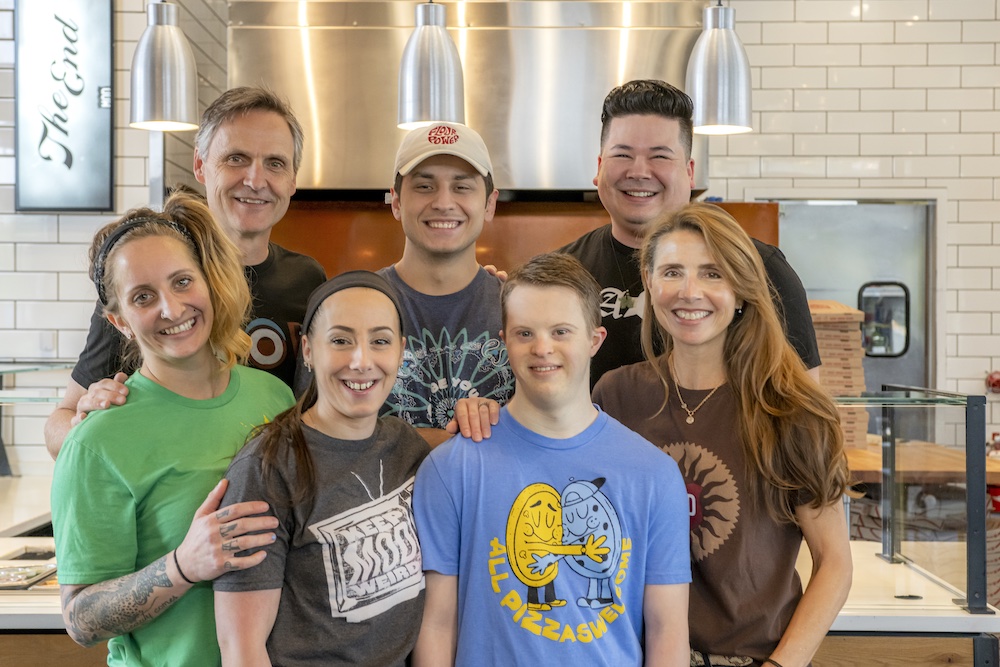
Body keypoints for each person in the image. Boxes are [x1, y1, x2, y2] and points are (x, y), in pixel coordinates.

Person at [592, 203, 852, 667]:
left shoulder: (792, 410)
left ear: (741, 291)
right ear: (649, 284)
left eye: (713, 274)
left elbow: (834, 562)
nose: (690, 292)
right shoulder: (616, 396)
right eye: (672, 271)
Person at [51, 192, 296, 666]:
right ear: (119, 321)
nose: (172, 308)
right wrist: (183, 565)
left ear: (208, 282)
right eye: (143, 297)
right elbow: (80, 619)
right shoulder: (97, 442)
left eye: (183, 281)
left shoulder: (274, 398)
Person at [413, 253, 690, 665]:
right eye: (525, 333)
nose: (543, 348)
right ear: (504, 340)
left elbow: (667, 628)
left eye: (561, 331)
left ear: (594, 340)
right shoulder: (452, 469)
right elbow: (437, 623)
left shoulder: (654, 474)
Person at [44, 86, 326, 458]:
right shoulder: (150, 285)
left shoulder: (307, 282)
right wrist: (88, 423)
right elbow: (59, 427)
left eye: (275, 163)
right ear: (200, 165)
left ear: (292, 180)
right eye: (236, 158)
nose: (256, 180)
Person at [213, 271, 429, 666]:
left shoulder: (407, 448)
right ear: (309, 350)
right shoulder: (267, 466)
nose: (361, 361)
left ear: (400, 351)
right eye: (341, 340)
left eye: (379, 341)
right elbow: (241, 649)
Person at [559, 79, 820, 387]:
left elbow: (804, 408)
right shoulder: (563, 273)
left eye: (660, 156)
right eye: (622, 155)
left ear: (689, 171)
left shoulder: (761, 269)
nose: (639, 172)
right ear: (600, 167)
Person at [378, 122, 514, 443]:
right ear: (396, 202)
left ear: (489, 204)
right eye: (424, 186)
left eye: (462, 187)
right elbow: (321, 438)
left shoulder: (521, 312)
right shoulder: (352, 308)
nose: (443, 202)